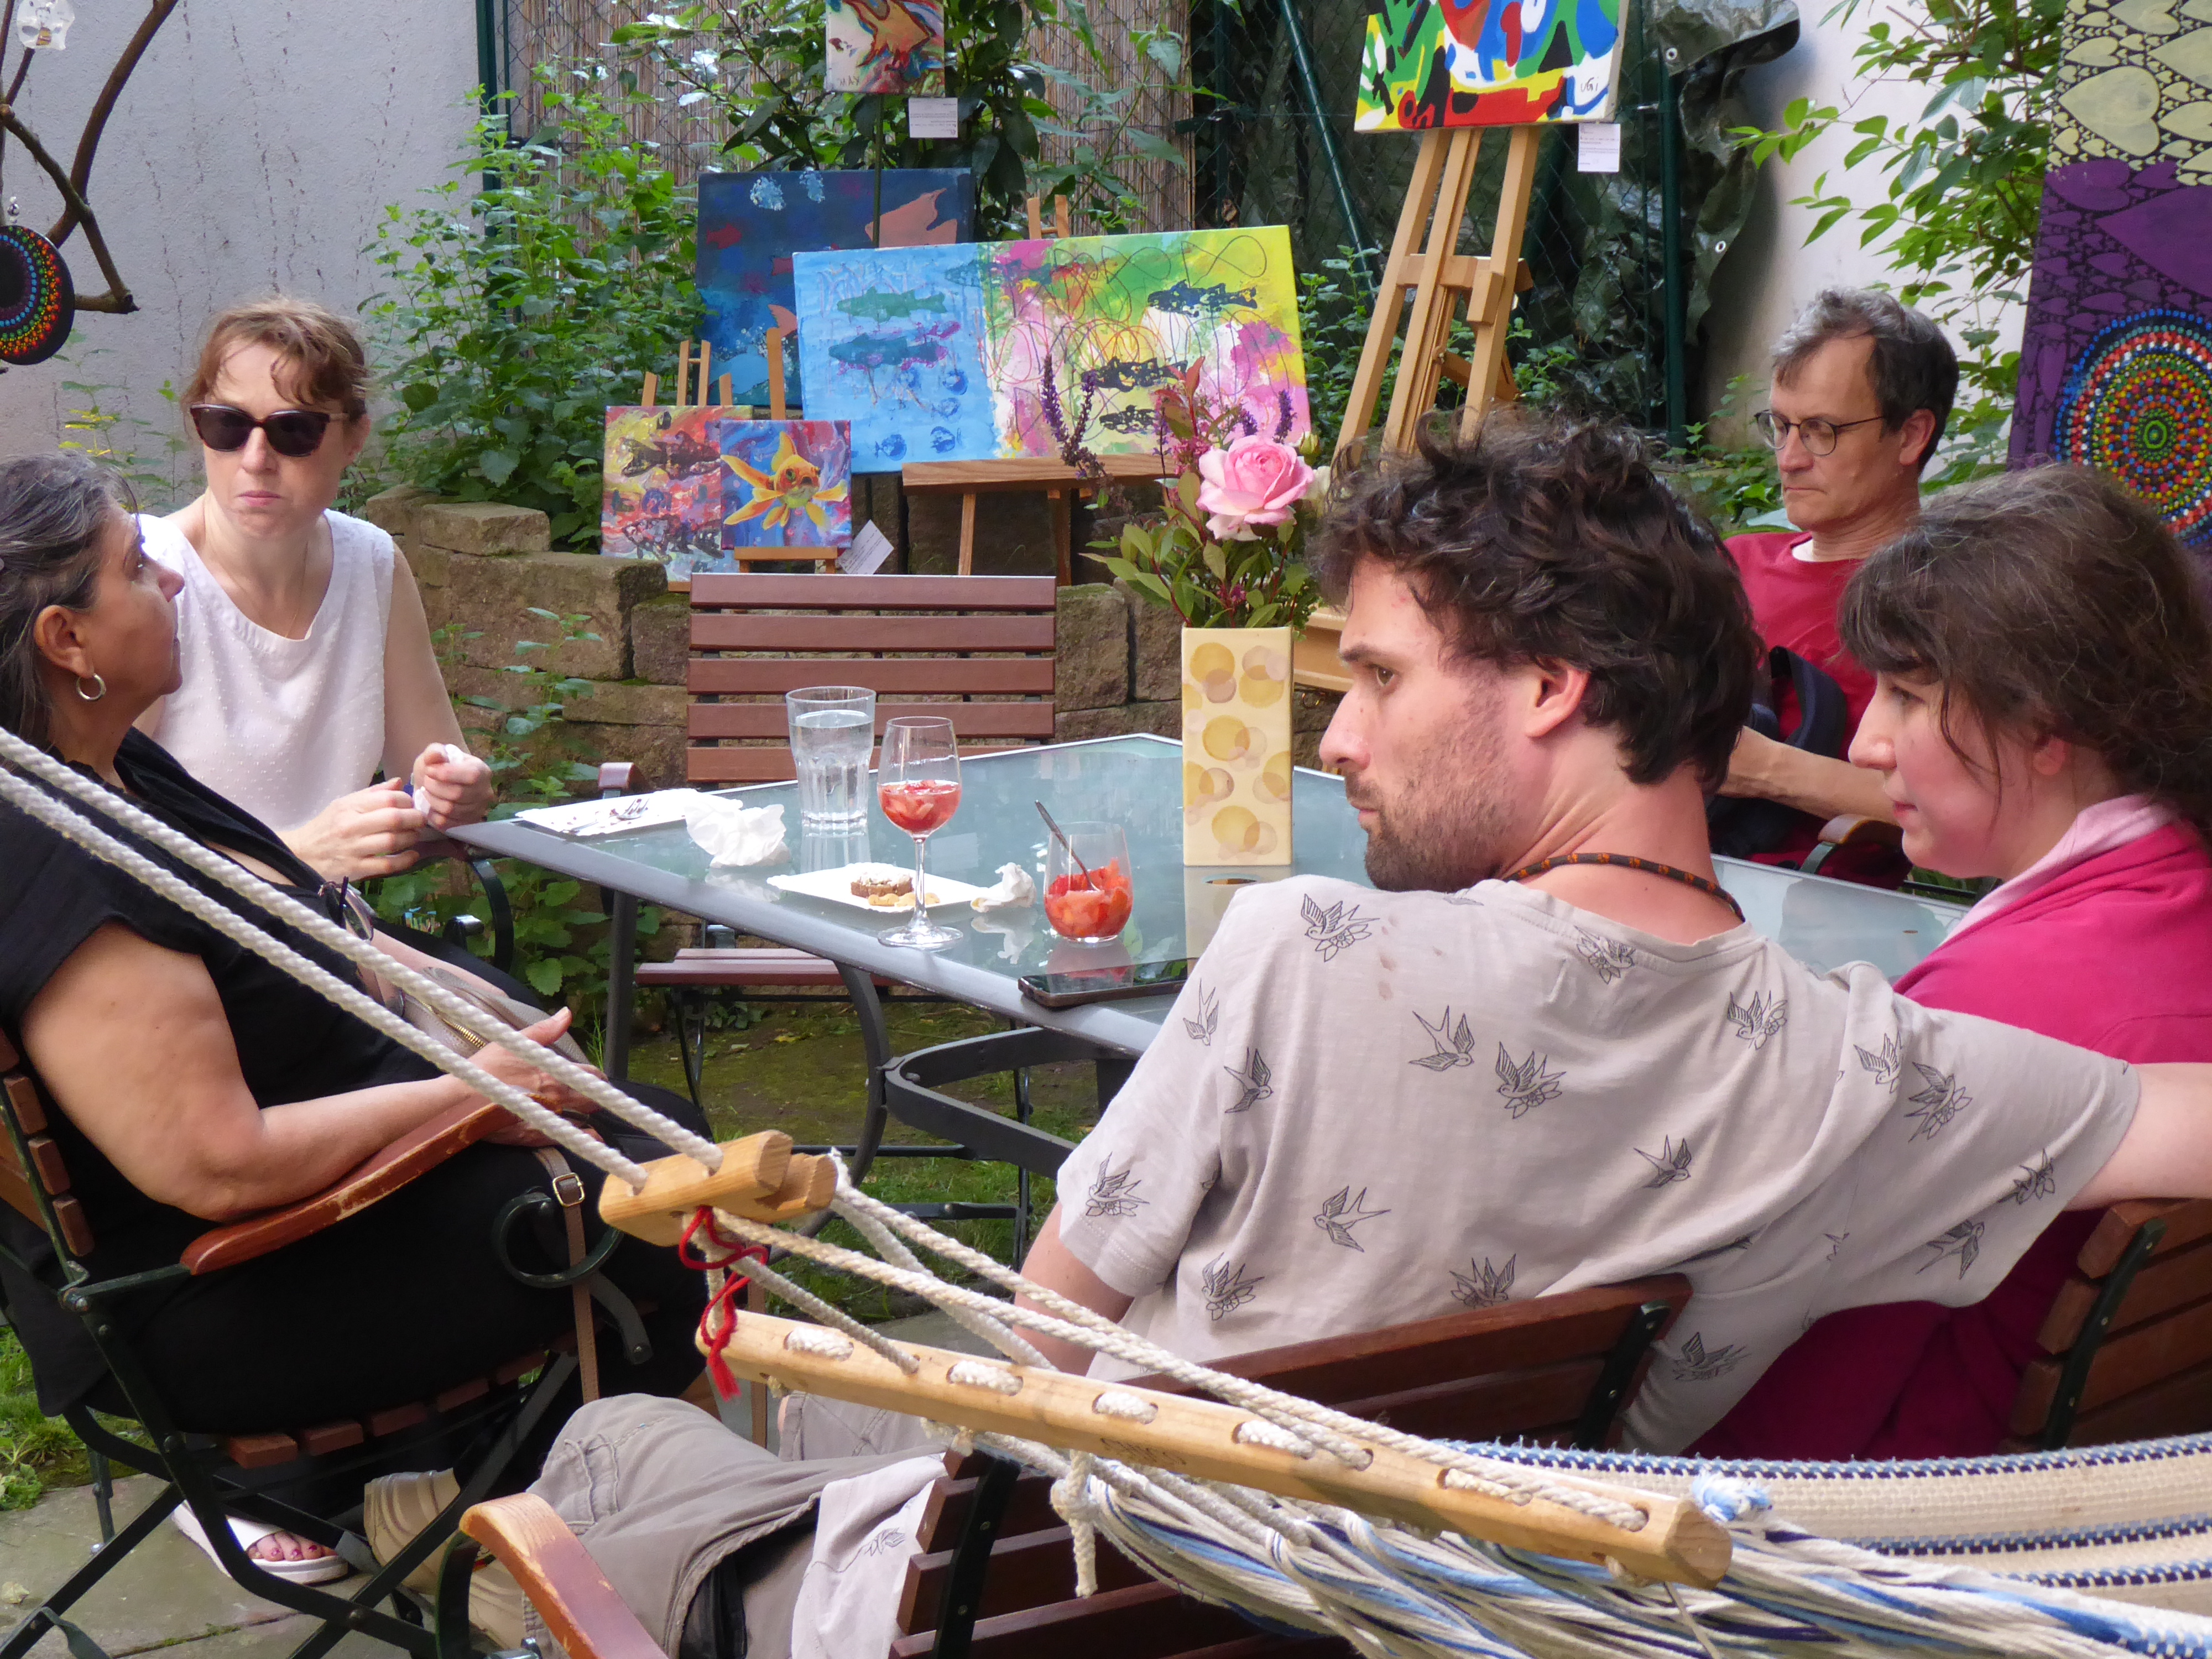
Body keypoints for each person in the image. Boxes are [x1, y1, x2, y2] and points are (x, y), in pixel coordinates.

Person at [509, 416, 2212, 1659]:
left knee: (610, 1443)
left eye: (1383, 679)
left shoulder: (1304, 951)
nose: (1338, 739)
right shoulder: (1867, 1071)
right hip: (1421, 1611)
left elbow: (1032, 1360)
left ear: (1550, 686)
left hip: (1054, 1600)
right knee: (805, 1424)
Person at [0, 454, 707, 1578]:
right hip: (220, 1298)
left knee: (663, 1145)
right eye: (135, 569)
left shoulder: (106, 771)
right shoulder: (61, 863)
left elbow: (312, 925)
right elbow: (217, 1165)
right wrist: (471, 1099)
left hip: (307, 1222)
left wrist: (470, 1036)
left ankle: (493, 1511)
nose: (172, 580)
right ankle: (519, 1545)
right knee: (667, 1206)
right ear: (65, 641)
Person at [1693, 466, 2212, 1460]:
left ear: (2045, 725)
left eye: (1908, 695)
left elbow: (1802, 1395)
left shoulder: (1991, 1009)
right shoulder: (2179, 891)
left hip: (1907, 1508)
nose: (1868, 743)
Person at [135, 296, 492, 882]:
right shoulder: (145, 575)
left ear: (355, 439)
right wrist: (295, 855)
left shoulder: (370, 562)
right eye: (226, 425)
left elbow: (429, 786)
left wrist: (454, 792)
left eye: (294, 431)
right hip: (176, 930)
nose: (255, 459)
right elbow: (90, 839)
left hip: (320, 923)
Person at [1711, 288, 1955, 880]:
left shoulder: (1946, 598)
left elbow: (1961, 808)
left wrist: (1764, 769)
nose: (1789, 458)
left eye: (1821, 430)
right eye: (1780, 425)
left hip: (1803, 908)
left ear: (1910, 435)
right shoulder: (1730, 562)